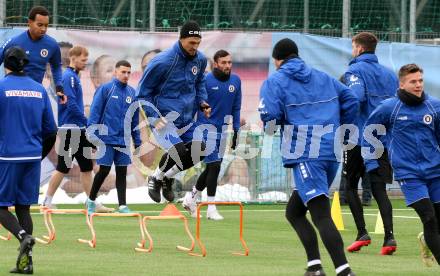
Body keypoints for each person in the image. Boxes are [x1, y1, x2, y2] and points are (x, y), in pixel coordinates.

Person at [259, 38, 358, 276]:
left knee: (321, 214)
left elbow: (270, 118)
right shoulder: (322, 76)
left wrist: (274, 126)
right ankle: (314, 266)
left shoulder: (275, 81)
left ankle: (344, 271)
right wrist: (341, 127)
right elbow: (351, 99)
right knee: (293, 212)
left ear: (277, 60)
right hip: (329, 152)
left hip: (306, 155)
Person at [362, 64, 440, 267]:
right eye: (413, 81)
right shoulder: (390, 107)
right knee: (429, 217)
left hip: (436, 172)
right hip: (409, 174)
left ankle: (426, 241)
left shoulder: (434, 106)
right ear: (402, 84)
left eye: (420, 80)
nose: (418, 85)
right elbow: (369, 133)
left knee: (436, 223)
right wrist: (372, 162)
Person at [137, 20, 211, 204]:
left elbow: (200, 81)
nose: (195, 47)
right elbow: (142, 93)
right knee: (178, 151)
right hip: (164, 119)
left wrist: (202, 101)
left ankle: (167, 177)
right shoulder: (162, 61)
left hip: (187, 120)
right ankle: (155, 178)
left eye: (198, 43)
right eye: (191, 43)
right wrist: (153, 116)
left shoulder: (200, 60)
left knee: (200, 149)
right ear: (181, 39)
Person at [0, 46, 57, 274]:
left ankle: (23, 236)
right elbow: (51, 131)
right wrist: (38, 155)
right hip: (32, 156)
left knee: (1, 206)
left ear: (6, 63)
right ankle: (27, 263)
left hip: (7, 156)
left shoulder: (2, 87)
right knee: (24, 208)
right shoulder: (39, 90)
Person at [343, 32, 399, 255]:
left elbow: (355, 97)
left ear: (358, 48)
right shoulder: (389, 74)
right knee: (379, 189)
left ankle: (362, 233)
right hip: (381, 138)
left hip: (357, 136)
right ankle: (389, 238)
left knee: (350, 184)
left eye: (353, 47)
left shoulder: (354, 70)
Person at [42, 46, 113, 212]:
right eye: (83, 59)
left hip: (77, 129)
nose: (85, 63)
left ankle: (91, 202)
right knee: (63, 167)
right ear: (73, 58)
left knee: (86, 166)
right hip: (71, 129)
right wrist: (87, 122)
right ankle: (47, 201)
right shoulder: (69, 77)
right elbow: (72, 105)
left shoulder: (73, 76)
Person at [183, 50, 241, 219]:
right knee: (214, 165)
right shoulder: (206, 81)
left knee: (211, 168)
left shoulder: (236, 81)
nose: (227, 66)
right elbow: (195, 103)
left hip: (222, 131)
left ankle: (191, 197)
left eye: (229, 62)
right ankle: (211, 208)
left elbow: (236, 107)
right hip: (205, 129)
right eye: (223, 62)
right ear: (215, 63)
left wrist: (236, 130)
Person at [86, 60, 141, 214]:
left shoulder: (132, 93)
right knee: (103, 170)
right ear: (116, 72)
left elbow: (134, 119)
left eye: (129, 72)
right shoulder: (105, 89)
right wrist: (92, 136)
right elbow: (95, 113)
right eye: (123, 72)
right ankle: (91, 200)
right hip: (106, 139)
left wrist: (137, 141)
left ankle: (122, 206)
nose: (126, 75)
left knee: (122, 172)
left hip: (123, 140)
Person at [0, 6, 66, 104]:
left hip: (35, 94)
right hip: (13, 95)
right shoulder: (13, 42)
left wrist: (59, 86)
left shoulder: (52, 45)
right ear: (29, 22)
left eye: (46, 25)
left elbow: (56, 67)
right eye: (40, 25)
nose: (43, 29)